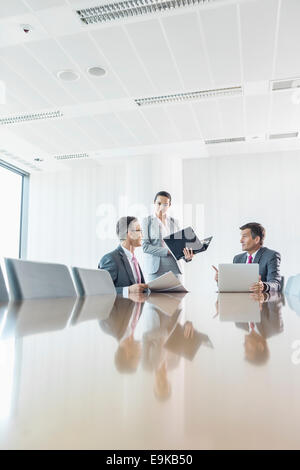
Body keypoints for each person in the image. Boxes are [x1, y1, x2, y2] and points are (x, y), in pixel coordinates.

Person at [213, 222, 281, 293]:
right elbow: (235, 285)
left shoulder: (271, 255)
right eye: (241, 237)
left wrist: (264, 286)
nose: (241, 241)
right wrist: (221, 281)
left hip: (260, 301)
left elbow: (276, 284)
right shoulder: (237, 258)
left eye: (244, 236)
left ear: (256, 239)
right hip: (240, 301)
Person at [142, 191, 194, 282]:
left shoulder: (175, 222)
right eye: (159, 203)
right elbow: (145, 247)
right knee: (154, 296)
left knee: (178, 296)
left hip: (175, 268)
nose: (161, 207)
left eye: (165, 204)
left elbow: (180, 245)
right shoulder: (147, 222)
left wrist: (187, 257)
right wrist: (168, 251)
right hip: (156, 269)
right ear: (154, 203)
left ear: (169, 205)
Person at [99, 216, 148, 295]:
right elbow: (101, 291)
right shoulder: (110, 259)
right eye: (139, 230)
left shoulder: (133, 260)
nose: (142, 235)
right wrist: (127, 290)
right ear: (129, 233)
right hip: (122, 306)